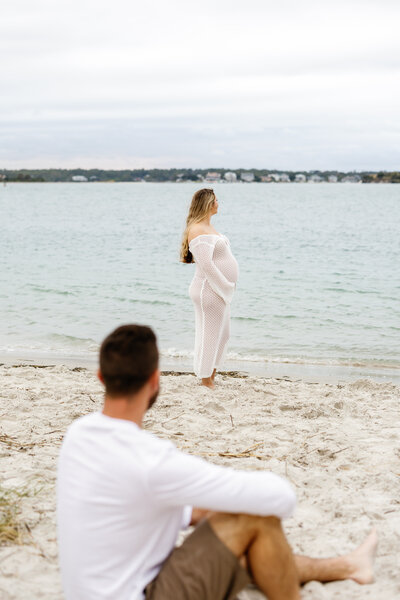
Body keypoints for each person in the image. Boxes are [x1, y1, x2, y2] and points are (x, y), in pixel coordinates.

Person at [57, 324, 377, 600]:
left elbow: (134, 504)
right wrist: (230, 507)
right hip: (139, 593)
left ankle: (346, 566)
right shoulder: (151, 460)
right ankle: (339, 570)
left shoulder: (77, 436)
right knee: (256, 521)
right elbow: (282, 498)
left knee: (240, 547)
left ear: (101, 377)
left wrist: (203, 510)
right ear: (155, 380)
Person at [181, 188, 239, 389]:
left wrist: (226, 288)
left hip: (219, 291)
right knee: (210, 334)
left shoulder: (209, 227)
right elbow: (206, 265)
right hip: (209, 289)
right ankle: (206, 379)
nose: (218, 203)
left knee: (223, 334)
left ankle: (210, 374)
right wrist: (226, 286)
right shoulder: (197, 229)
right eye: (215, 200)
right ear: (207, 203)